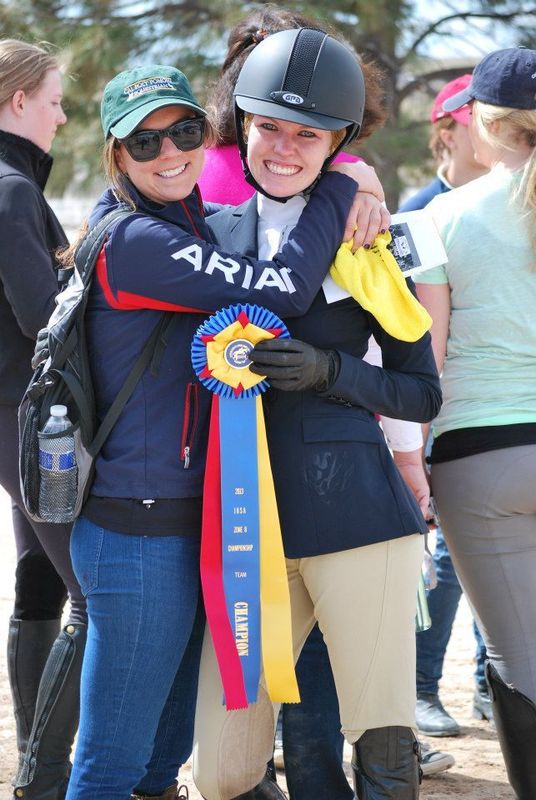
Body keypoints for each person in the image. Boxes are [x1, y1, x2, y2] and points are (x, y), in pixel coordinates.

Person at [63, 60, 383, 800]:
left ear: (209, 135)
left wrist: (365, 185)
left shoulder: (194, 226)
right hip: (134, 529)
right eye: (144, 144)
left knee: (156, 762)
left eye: (183, 131)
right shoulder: (137, 242)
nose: (169, 151)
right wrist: (341, 183)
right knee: (111, 764)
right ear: (116, 155)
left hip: (187, 526)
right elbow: (284, 286)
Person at [198, 8, 452, 792]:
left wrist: (332, 372)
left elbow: (420, 389)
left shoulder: (372, 241)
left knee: (381, 739)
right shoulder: (202, 233)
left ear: (339, 143)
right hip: (245, 535)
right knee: (222, 768)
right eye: (270, 128)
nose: (284, 149)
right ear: (242, 124)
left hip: (359, 523)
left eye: (308, 136)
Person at [415, 47, 536, 799]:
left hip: (480, 458)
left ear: (482, 126)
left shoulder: (441, 216)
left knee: (517, 658)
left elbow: (427, 361)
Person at [0, 39, 87, 800]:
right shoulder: (12, 188)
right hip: (26, 422)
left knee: (38, 585)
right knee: (90, 594)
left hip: (8, 423)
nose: (63, 115)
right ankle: (47, 777)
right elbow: (40, 319)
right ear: (19, 100)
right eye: (55, 99)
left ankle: (38, 766)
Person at [399, 74, 492, 738]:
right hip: (436, 416)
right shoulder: (420, 210)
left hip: (499, 414)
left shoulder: (517, 204)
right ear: (451, 127)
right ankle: (421, 687)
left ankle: (492, 686)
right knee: (444, 568)